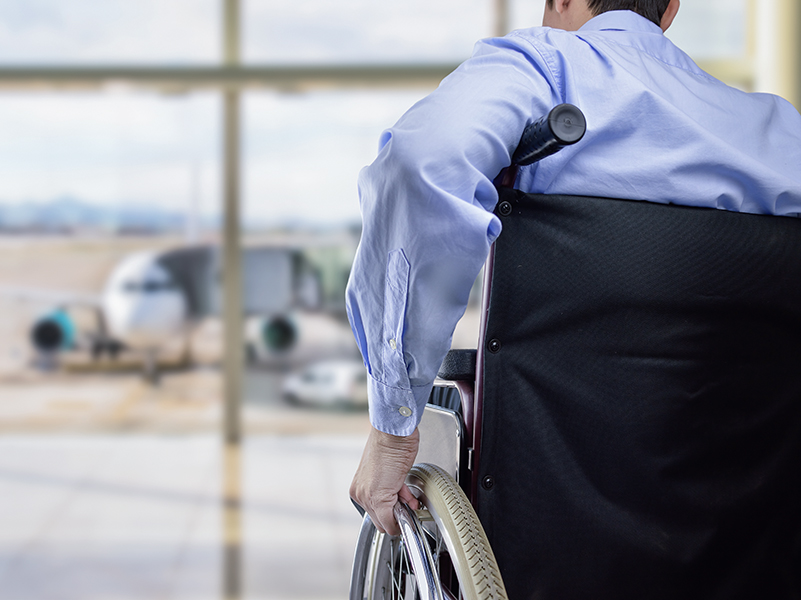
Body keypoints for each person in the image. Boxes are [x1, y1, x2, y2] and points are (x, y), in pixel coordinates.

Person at [347, 0, 801, 546]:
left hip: (549, 524)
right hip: (748, 531)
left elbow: (423, 166)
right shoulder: (774, 127)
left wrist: (394, 422)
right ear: (670, 10)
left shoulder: (541, 69)